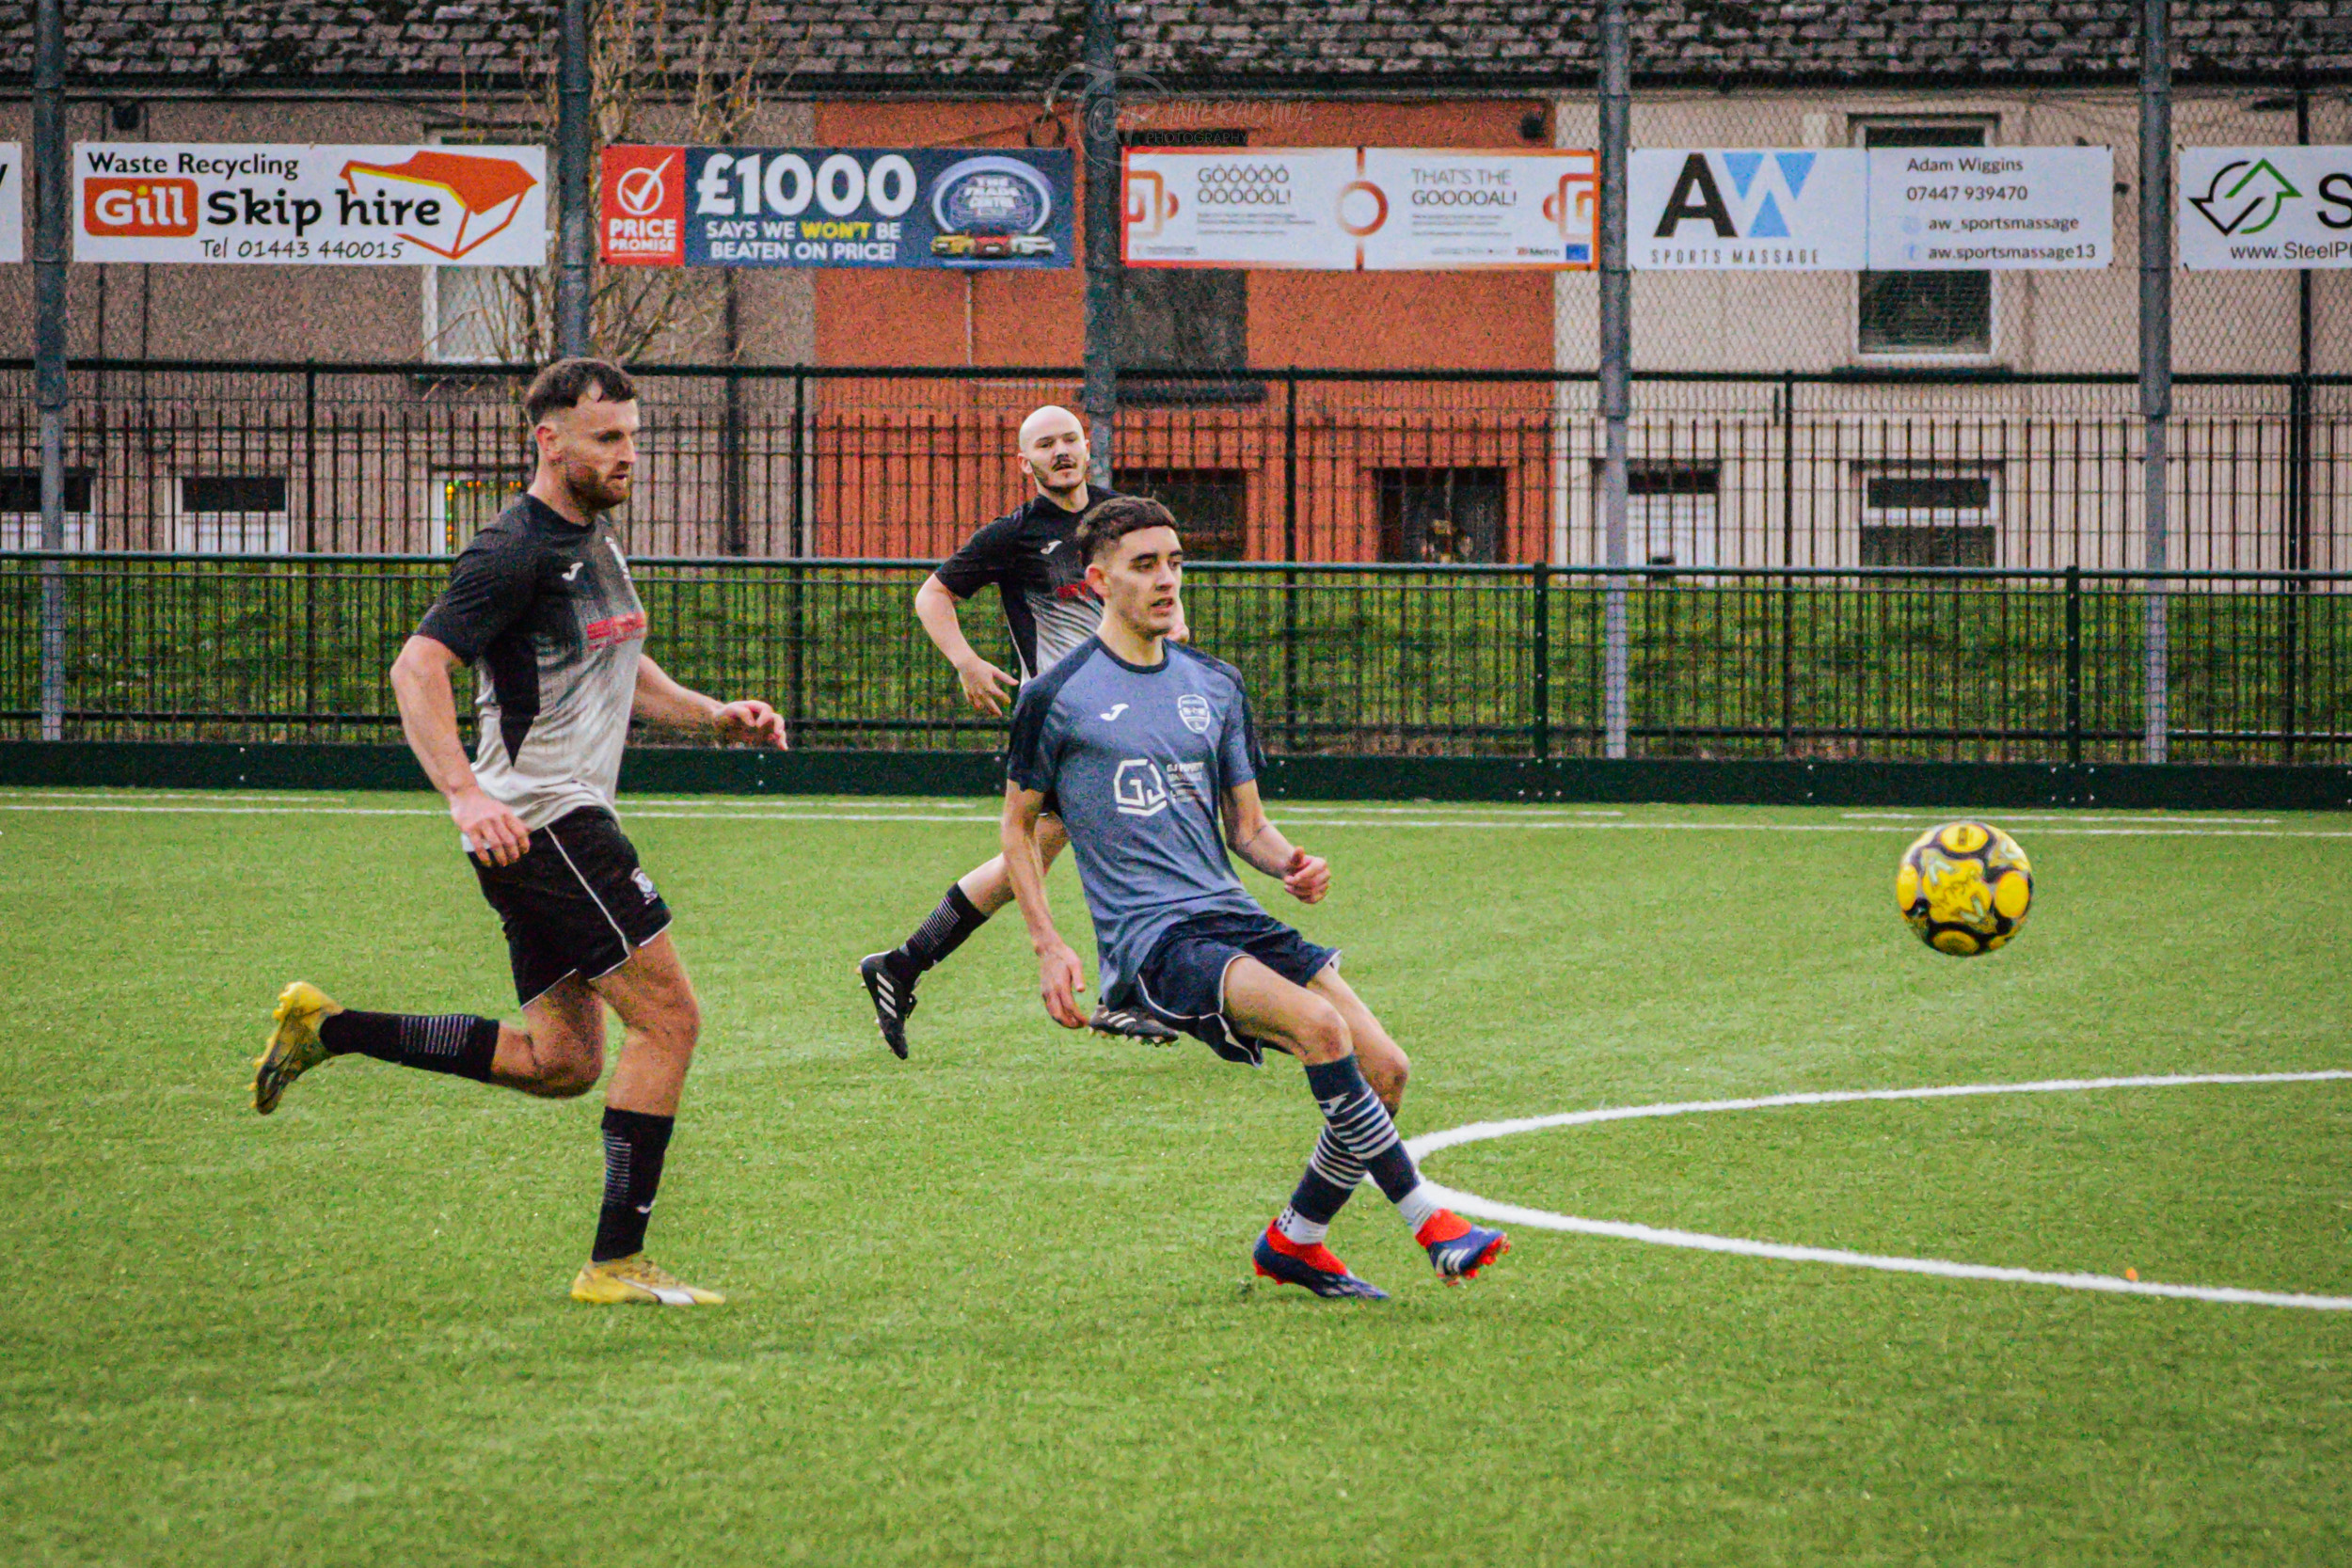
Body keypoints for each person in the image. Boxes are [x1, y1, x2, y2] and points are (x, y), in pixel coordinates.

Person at [250, 356, 785, 1307]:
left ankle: (327, 1027)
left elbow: (617, 656)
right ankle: (615, 1262)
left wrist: (714, 715)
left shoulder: (593, 535)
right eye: (608, 438)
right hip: (547, 820)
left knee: (562, 1061)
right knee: (670, 1020)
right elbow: (417, 669)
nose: (629, 453)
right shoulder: (511, 548)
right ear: (550, 440)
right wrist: (464, 793)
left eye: (632, 434)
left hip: (543, 826)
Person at [997, 496, 1511, 1299]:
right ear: (1097, 582)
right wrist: (1048, 942)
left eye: (1174, 561)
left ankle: (1296, 1242)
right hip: (1155, 941)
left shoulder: (1216, 684)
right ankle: (1428, 1218)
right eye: (1144, 565)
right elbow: (1018, 828)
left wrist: (1290, 864)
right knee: (1320, 1026)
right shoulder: (1056, 696)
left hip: (1232, 914)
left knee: (1385, 1070)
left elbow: (1249, 826)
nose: (1166, 579)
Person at [858, 404, 1180, 1057]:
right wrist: (967, 660)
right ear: (1024, 461)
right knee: (1131, 830)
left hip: (1123, 714)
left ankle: (902, 963)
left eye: (1068, 439)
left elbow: (1164, 595)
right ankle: (1123, 995)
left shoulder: (1126, 519)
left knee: (1036, 852)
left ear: (1088, 447)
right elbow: (932, 595)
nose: (1060, 451)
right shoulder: (1015, 535)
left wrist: (1174, 648)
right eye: (1045, 444)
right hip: (1066, 719)